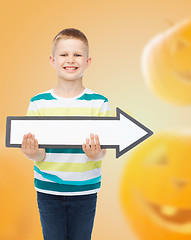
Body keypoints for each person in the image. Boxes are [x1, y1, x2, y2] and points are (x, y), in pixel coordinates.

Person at [20, 28, 111, 240]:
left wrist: (95, 154)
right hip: (48, 190)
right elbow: (39, 153)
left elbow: (104, 151)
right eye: (64, 54)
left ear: (87, 62)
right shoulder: (38, 103)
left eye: (77, 54)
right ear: (52, 60)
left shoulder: (99, 102)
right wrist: (32, 154)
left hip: (85, 191)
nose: (71, 60)